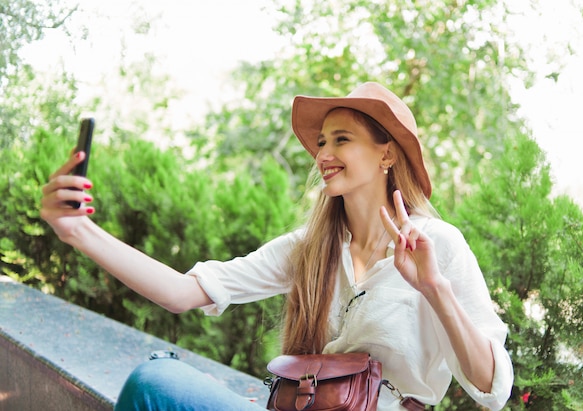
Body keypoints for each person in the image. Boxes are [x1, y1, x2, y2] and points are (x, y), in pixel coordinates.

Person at [40, 82, 514, 410]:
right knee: (154, 382)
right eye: (322, 142)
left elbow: (492, 387)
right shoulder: (311, 247)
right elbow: (183, 292)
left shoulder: (438, 245)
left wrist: (434, 288)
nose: (323, 155)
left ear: (386, 153)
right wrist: (78, 231)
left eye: (341, 140)